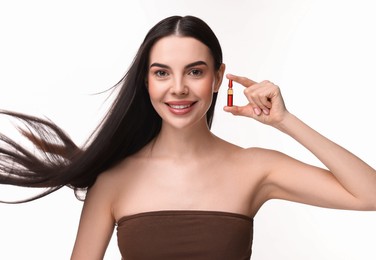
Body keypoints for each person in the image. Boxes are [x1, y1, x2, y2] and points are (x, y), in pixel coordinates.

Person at [0, 15, 375, 260]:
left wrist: (284, 120)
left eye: (194, 72)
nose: (178, 89)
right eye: (162, 73)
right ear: (146, 81)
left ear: (217, 77)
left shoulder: (255, 167)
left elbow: (369, 195)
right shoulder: (114, 180)